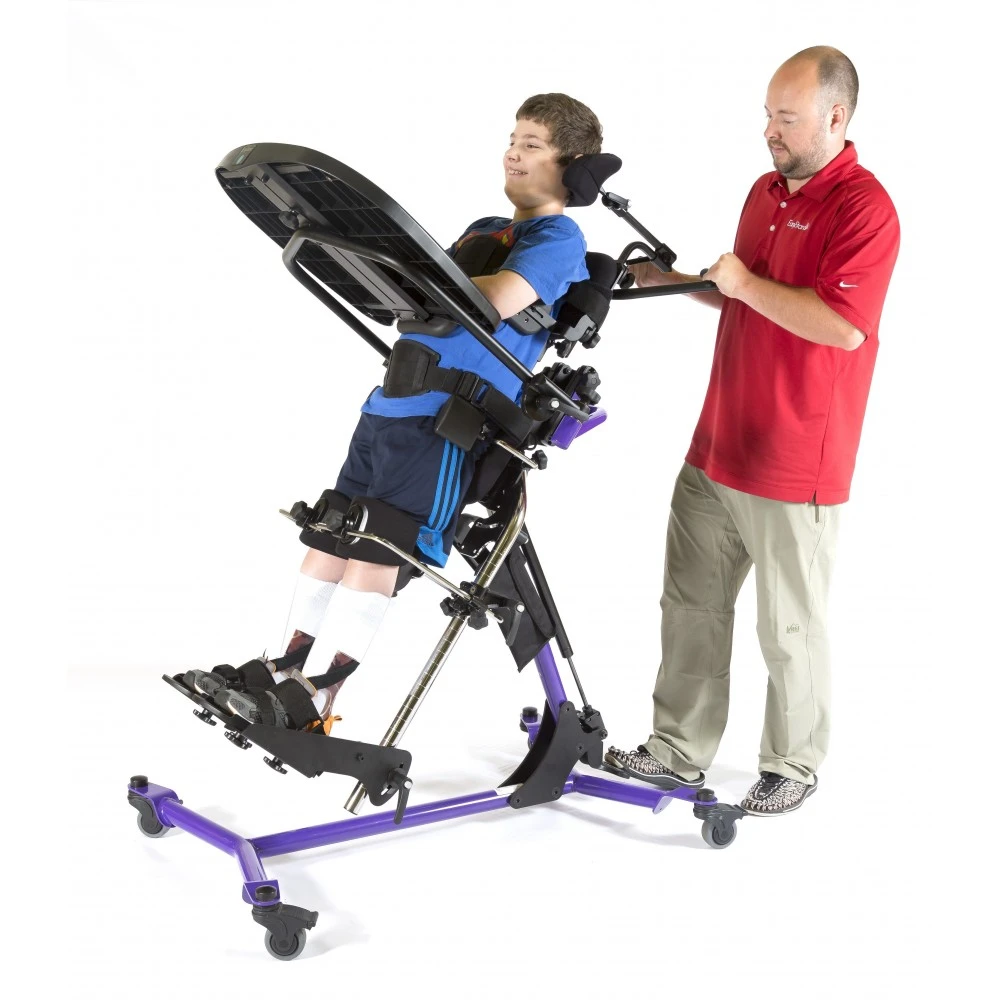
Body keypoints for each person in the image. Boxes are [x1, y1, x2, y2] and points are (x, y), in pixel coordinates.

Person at [186, 93, 603, 734]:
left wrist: (421, 281)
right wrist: (411, 279)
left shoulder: (558, 237)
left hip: (449, 418)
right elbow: (407, 301)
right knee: (334, 529)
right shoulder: (485, 227)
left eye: (532, 145)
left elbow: (494, 300)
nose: (513, 154)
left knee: (381, 540)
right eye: (511, 140)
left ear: (572, 167)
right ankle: (285, 669)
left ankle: (319, 696)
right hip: (391, 402)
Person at [605, 47, 899, 815]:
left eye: (787, 118)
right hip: (718, 444)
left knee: (789, 625)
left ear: (835, 117)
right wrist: (676, 283)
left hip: (794, 459)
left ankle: (792, 765)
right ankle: (676, 751)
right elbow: (748, 296)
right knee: (690, 608)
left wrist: (738, 281)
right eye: (768, 114)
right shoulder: (765, 191)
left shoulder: (865, 208)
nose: (770, 130)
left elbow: (842, 327)